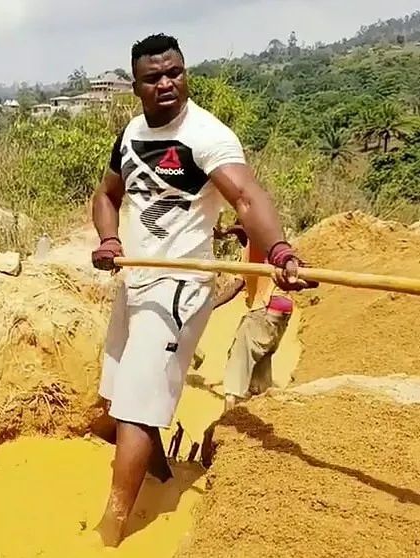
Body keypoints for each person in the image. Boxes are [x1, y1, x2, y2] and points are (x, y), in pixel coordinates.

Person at [90, 33, 316, 548]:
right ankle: (162, 475)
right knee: (123, 393)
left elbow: (247, 197)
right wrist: (108, 237)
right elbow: (106, 195)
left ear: (185, 73)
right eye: (154, 77)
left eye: (175, 72)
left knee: (135, 408)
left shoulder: (207, 135)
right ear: (136, 86)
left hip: (178, 287)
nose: (167, 83)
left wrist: (279, 251)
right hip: (135, 278)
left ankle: (111, 528)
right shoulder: (129, 134)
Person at [212, 221, 296, 413]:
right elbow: (237, 285)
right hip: (281, 311)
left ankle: (229, 421)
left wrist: (231, 229)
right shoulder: (255, 252)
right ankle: (264, 409)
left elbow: (253, 230)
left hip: (264, 308)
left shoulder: (259, 244)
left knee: (237, 366)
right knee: (261, 361)